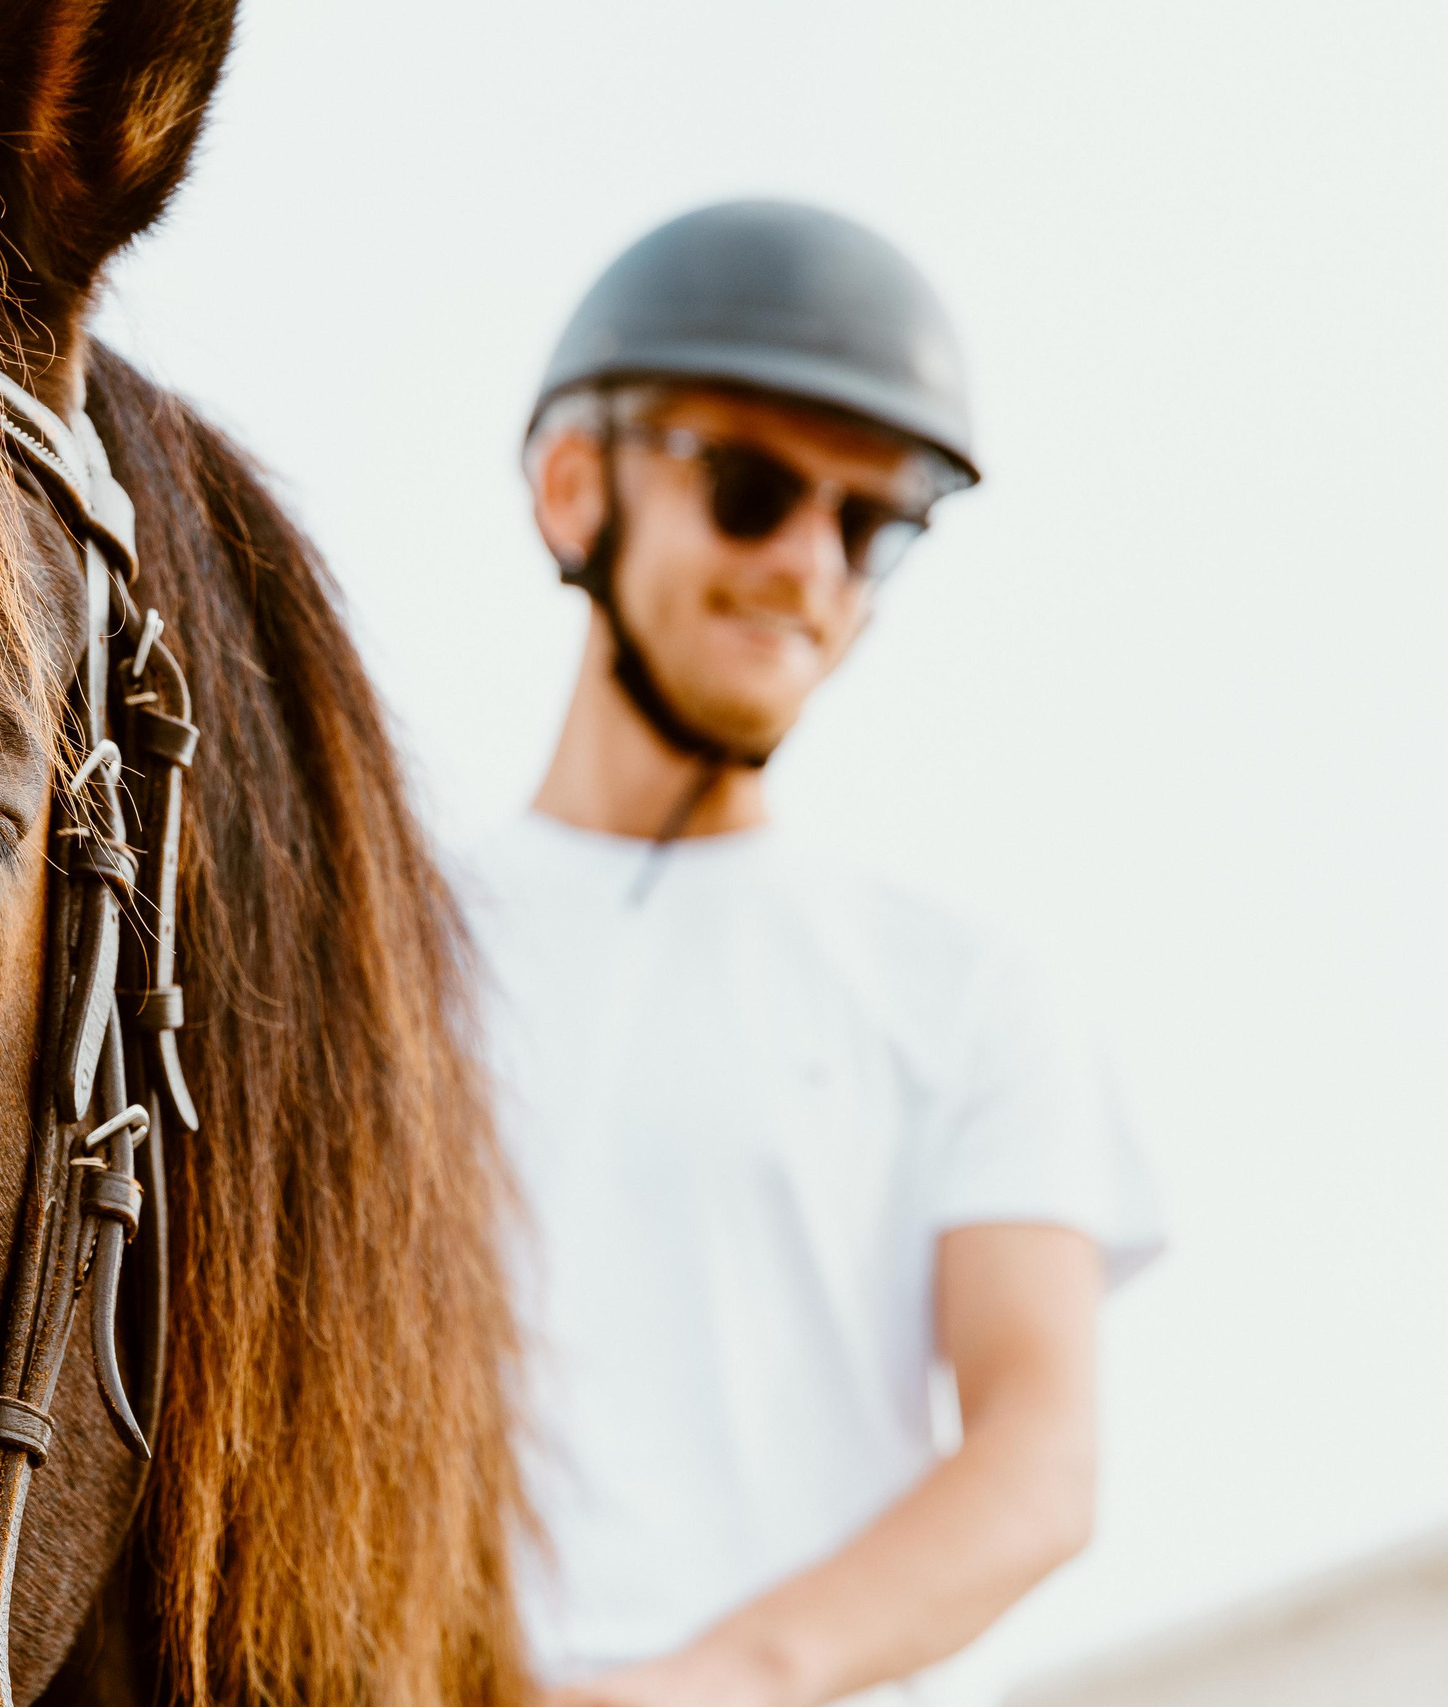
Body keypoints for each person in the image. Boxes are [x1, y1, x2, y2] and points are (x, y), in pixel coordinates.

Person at [463, 201, 1165, 1707]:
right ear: (574, 489)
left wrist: (710, 1684)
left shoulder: (965, 991)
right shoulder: (372, 946)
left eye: (870, 526)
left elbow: (1043, 1457)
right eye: (752, 490)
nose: (809, 567)